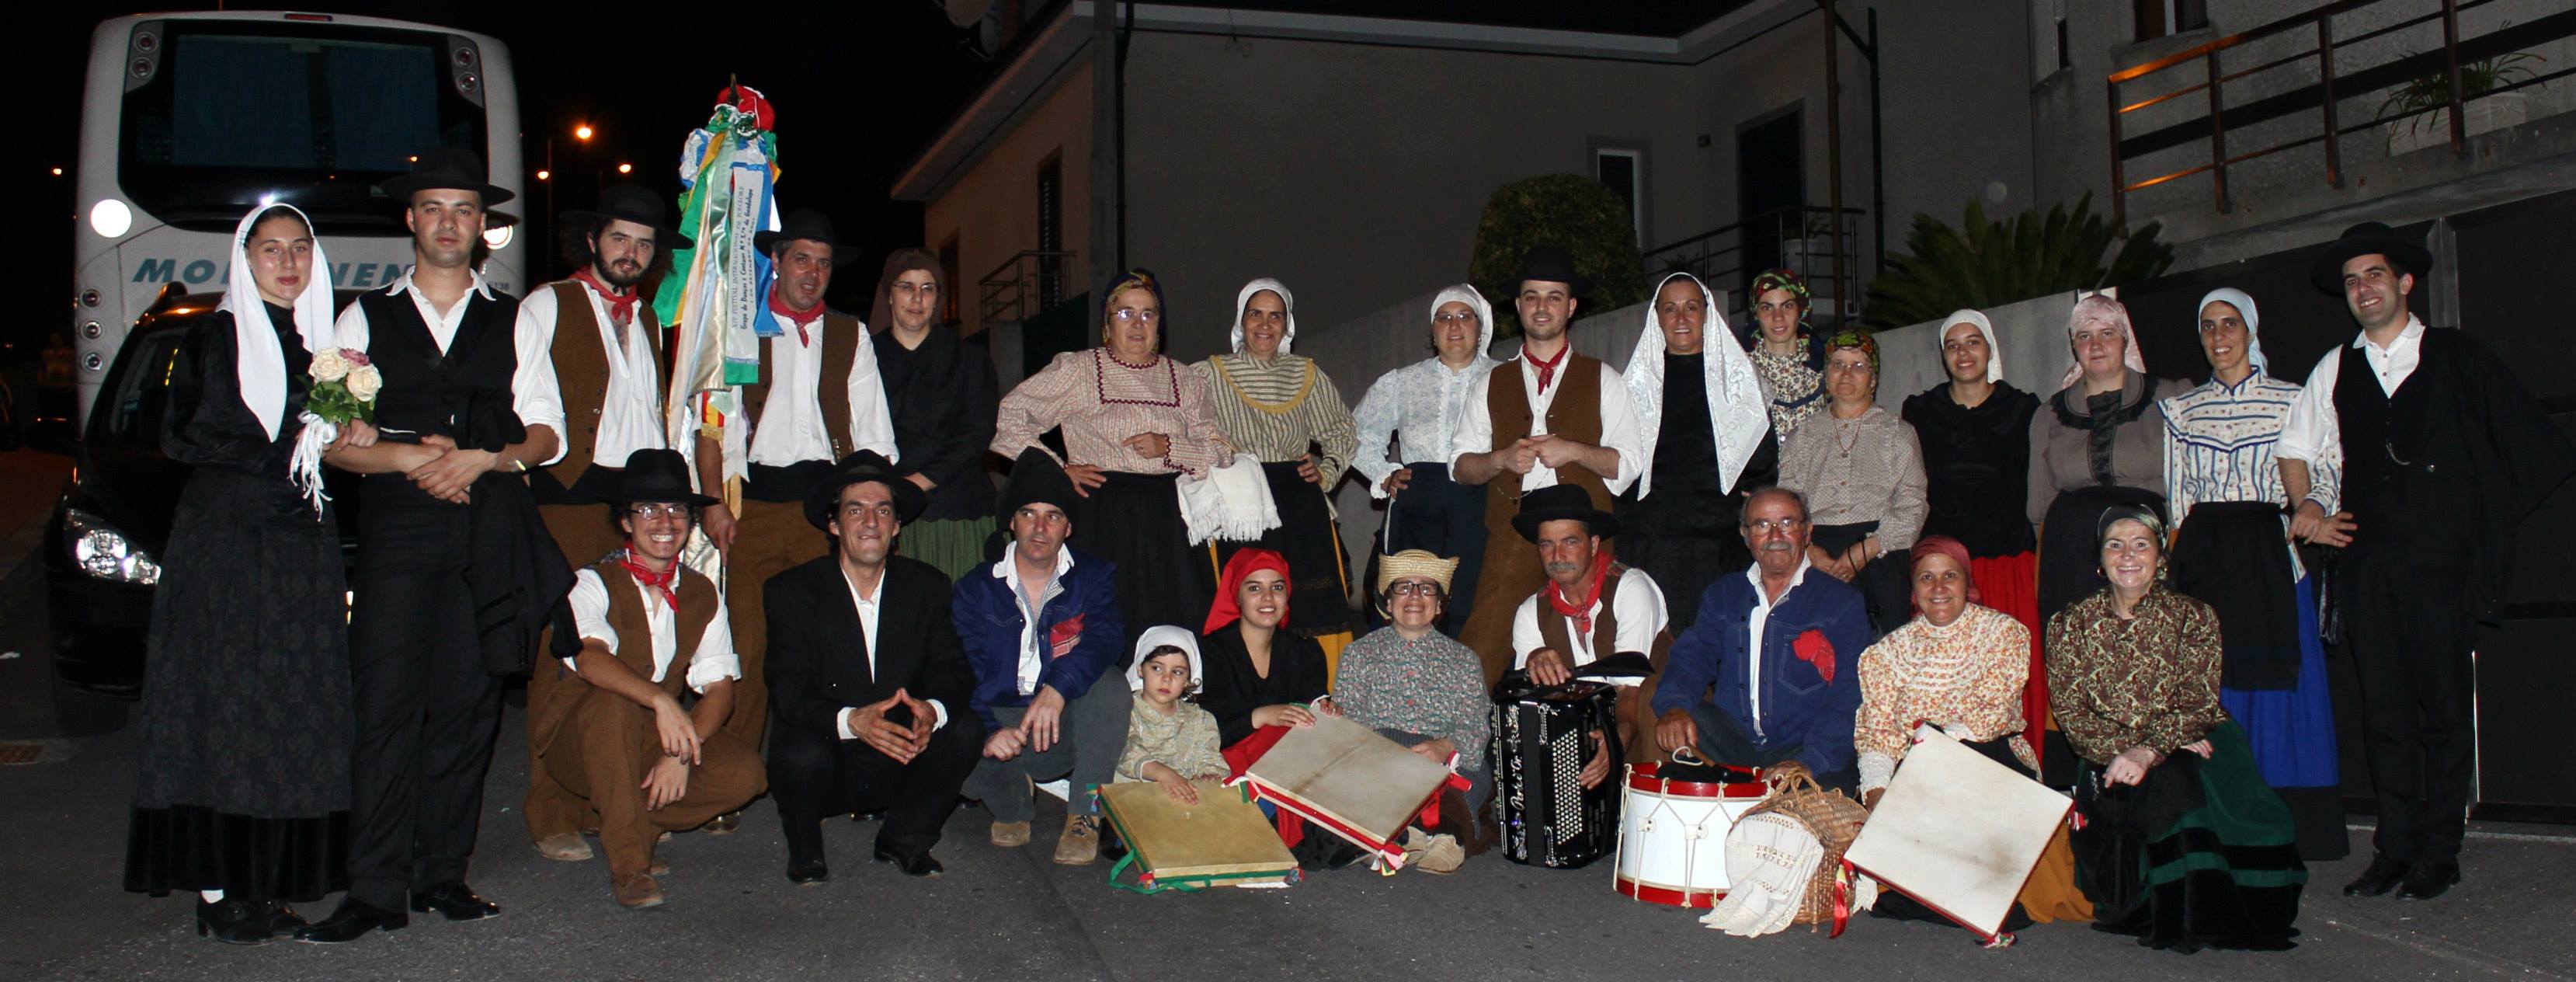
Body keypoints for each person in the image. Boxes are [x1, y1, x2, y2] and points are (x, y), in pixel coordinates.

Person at [301, 150, 563, 943]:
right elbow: (326, 444)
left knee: (466, 711)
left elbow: (547, 435)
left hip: (485, 531)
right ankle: (374, 888)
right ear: (410, 221)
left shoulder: (513, 318)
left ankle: (441, 874)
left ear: (483, 228)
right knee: (382, 710)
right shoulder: (361, 320)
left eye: (464, 210)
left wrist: (485, 459)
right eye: (435, 208)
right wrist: (417, 459)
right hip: (399, 535)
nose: (450, 222)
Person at [2275, 222, 2575, 900]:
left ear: (2405, 282)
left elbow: (2532, 445)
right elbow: (2293, 447)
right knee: (2382, 712)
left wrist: (2478, 521)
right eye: (2352, 281)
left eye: (2374, 274)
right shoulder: (2335, 367)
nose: (2363, 289)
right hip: (2367, 563)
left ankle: (2440, 849)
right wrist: (2309, 514)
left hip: (2441, 565)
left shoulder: (2455, 355)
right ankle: (2394, 847)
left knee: (2442, 709)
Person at [125, 204, 361, 944]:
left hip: (299, 549)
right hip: (227, 546)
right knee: (219, 707)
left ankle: (263, 879)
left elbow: (332, 448)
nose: (287, 263)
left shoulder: (324, 344)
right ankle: (218, 889)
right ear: (245, 258)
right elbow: (188, 432)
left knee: (287, 710)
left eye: (299, 249)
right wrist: (297, 440)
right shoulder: (215, 335)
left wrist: (352, 427)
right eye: (270, 250)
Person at [520, 183, 691, 862]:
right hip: (565, 503)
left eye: (644, 244)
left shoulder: (648, 320)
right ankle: (549, 810)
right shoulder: (547, 304)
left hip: (630, 510)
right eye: (620, 238)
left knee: (626, 656)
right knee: (561, 656)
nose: (631, 253)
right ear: (592, 240)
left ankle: (606, 800)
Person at [2046, 507, 2307, 952]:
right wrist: (2130, 749)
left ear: (2161, 557)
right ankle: (2175, 908)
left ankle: (2200, 911)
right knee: (2169, 780)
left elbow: (2198, 704)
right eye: (2115, 545)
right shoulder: (2069, 623)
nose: (2128, 555)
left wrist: (2150, 750)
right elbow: (2072, 714)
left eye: (2141, 544)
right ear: (2100, 560)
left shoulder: (2195, 616)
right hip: (2112, 747)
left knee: (2178, 778)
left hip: (2199, 738)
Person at [692, 209, 900, 764]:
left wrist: (862, 515)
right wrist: (712, 503)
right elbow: (712, 425)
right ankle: (730, 776)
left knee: (828, 644)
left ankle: (835, 768)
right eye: (801, 259)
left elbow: (873, 434)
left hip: (824, 515)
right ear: (777, 263)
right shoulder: (740, 331)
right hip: (752, 508)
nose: (812, 272)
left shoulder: (850, 334)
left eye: (823, 263)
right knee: (748, 643)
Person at [528, 450, 763, 909]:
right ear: (625, 522)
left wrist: (681, 751)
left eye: (677, 510)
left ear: (692, 521)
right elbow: (590, 659)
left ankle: (640, 821)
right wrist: (663, 701)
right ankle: (630, 865)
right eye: (648, 509)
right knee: (613, 705)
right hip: (579, 739)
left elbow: (719, 688)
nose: (665, 521)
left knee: (746, 774)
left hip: (648, 740)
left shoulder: (701, 591)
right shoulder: (589, 582)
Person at [2157, 287, 2345, 861]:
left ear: (2251, 330)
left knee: (2279, 691)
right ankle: (2217, 814)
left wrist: (2313, 510)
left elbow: (2326, 466)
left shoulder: (2294, 400)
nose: (2219, 337)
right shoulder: (2182, 409)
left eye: (2229, 324)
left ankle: (2287, 822)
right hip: (2206, 561)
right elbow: (2176, 500)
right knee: (2213, 688)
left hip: (2271, 559)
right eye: (2208, 326)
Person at [761, 451, 983, 883]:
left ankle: (904, 840)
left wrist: (931, 711)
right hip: (831, 744)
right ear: (834, 524)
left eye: (883, 510)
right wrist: (851, 721)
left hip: (901, 745)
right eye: (855, 510)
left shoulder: (927, 585)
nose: (870, 522)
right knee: (796, 751)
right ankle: (806, 851)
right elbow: (787, 686)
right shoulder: (792, 591)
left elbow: (953, 666)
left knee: (965, 727)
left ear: (897, 526)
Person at [1852, 537, 2091, 932]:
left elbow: (1992, 713)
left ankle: (1970, 892)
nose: (1939, 588)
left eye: (1951, 576)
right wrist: (1877, 794)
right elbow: (1877, 732)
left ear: (1968, 583)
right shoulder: (1885, 653)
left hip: (1989, 757)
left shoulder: (2003, 633)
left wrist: (1927, 759)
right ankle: (1944, 890)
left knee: (1965, 762)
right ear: (1913, 590)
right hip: (1916, 770)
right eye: (1926, 577)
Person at [990, 270, 1229, 647]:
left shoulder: (1187, 380)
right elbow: (1011, 417)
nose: (1138, 324)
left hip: (1172, 521)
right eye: (1126, 313)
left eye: (1148, 314)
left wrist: (1169, 447)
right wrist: (1058, 469)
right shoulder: (1078, 370)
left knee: (1177, 618)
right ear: (1107, 322)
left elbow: (1221, 451)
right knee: (1104, 618)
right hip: (1103, 513)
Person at [1450, 246, 1643, 682]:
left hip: (1584, 532)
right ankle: (1460, 744)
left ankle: (1607, 742)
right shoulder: (1490, 382)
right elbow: (1460, 466)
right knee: (1482, 646)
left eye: (1554, 296)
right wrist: (1500, 459)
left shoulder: (1604, 379)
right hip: (1513, 529)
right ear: (1518, 306)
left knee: (1600, 648)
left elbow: (1629, 464)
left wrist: (1574, 450)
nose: (1542, 306)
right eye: (1532, 296)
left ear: (1571, 307)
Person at [953, 449, 1131, 865]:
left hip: (1062, 721)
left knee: (1109, 683)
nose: (1039, 527)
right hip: (1002, 719)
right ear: (1011, 522)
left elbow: (1106, 638)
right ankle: (1013, 800)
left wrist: (1058, 688)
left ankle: (1085, 814)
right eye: (1028, 514)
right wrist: (987, 730)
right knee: (946, 725)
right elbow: (961, 669)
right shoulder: (974, 588)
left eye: (1053, 516)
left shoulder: (1093, 576)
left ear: (1068, 527)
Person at [1899, 309, 2046, 757]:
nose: (1964, 353)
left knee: (2011, 675)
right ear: (1944, 355)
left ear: (1990, 349)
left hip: (2006, 560)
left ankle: (2023, 772)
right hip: (1946, 568)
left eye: (1973, 342)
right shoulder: (1921, 410)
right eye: (1953, 344)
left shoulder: (2023, 408)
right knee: (1945, 677)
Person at [1652, 488, 1869, 792]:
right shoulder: (1724, 595)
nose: (1775, 535)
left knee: (1820, 792)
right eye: (1762, 525)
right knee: (1685, 719)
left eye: (1787, 523)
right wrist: (1674, 708)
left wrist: (1810, 760)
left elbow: (1851, 693)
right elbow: (1692, 656)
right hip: (1736, 748)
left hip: (1806, 749)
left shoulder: (1841, 603)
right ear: (1746, 535)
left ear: (1807, 532)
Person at [1199, 278, 1361, 659]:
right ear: (1242, 321)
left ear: (1287, 324)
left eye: (1276, 316)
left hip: (1297, 500)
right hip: (1240, 505)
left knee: (1309, 604)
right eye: (1256, 314)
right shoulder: (1209, 373)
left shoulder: (1306, 373)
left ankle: (1319, 698)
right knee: (1244, 600)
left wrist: (1329, 470)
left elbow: (1342, 429)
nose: (1266, 324)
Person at [1618, 271, 1777, 632]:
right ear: (1656, 317)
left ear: (1708, 314)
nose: (1681, 318)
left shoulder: (1739, 381)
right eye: (1670, 308)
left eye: (1692, 307)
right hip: (1652, 544)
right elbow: (1622, 469)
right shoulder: (1634, 386)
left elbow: (1761, 465)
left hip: (1718, 546)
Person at [1351, 285, 1502, 633]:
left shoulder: (1506, 377)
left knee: (1475, 606)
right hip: (1416, 510)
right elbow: (1356, 436)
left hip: (1480, 505)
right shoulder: (1402, 382)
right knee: (1411, 606)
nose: (1454, 326)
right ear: (1432, 330)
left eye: (1465, 317)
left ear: (1481, 329)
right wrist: (1383, 473)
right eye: (1444, 318)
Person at [2028, 294, 2187, 625]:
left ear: (2125, 339)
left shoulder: (2169, 398)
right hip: (2070, 551)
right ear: (2074, 347)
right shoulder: (2049, 414)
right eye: (2084, 336)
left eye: (2107, 334)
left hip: (2142, 550)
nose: (2096, 345)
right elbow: (2039, 508)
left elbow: (2188, 486)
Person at [1333, 549, 1486, 869]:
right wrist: (1399, 752)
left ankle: (1435, 833)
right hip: (1382, 761)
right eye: (1403, 587)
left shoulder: (1464, 660)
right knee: (1378, 750)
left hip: (1448, 763)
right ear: (1387, 603)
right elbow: (1351, 725)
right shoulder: (1359, 654)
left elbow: (1475, 726)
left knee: (1480, 771)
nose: (1415, 596)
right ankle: (1428, 830)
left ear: (1440, 604)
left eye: (1426, 588)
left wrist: (1443, 745)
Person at [1509, 484, 1669, 777]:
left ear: (1594, 544)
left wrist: (1615, 742)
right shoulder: (1531, 611)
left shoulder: (1631, 588)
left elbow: (1630, 690)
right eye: (1546, 544)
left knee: (1651, 695)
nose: (1557, 555)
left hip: (1651, 736)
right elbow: (1529, 708)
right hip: (1584, 746)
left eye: (1570, 542)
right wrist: (1535, 660)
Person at [1777, 330, 1925, 636]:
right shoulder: (1802, 437)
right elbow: (1787, 505)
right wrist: (1808, 550)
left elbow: (1913, 502)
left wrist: (1870, 547)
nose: (1847, 373)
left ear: (1873, 379)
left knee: (1882, 654)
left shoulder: (1898, 433)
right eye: (1838, 364)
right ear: (1826, 376)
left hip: (1880, 552)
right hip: (1816, 552)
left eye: (1859, 366)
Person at [869, 247, 999, 580]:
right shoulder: (866, 357)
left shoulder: (969, 359)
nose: (917, 298)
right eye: (906, 287)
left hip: (958, 508)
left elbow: (976, 433)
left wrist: (917, 483)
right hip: (890, 510)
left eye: (927, 288)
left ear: (938, 297)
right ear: (889, 294)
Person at [1198, 549, 1334, 752]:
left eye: (1277, 587)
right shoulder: (1208, 654)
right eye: (1254, 588)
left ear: (1287, 595)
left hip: (1289, 763)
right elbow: (1197, 737)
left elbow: (1314, 722)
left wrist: (1327, 713)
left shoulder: (1306, 653)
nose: (1268, 597)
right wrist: (1259, 717)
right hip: (1219, 768)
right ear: (1237, 597)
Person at [1115, 626, 1229, 802]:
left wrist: (1208, 777)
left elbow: (1209, 758)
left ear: (1188, 680)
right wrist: (1164, 774)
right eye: (1157, 668)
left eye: (1177, 672)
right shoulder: (1124, 710)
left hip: (1182, 806)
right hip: (1133, 801)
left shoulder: (1201, 720)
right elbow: (1125, 750)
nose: (1166, 679)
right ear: (1140, 669)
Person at [1740, 268, 1829, 437]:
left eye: (1787, 306)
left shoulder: (1825, 369)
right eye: (1767, 308)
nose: (1778, 317)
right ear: (1756, 314)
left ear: (1800, 310)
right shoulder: (1741, 373)